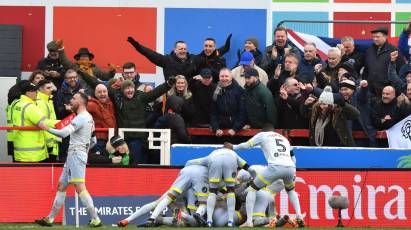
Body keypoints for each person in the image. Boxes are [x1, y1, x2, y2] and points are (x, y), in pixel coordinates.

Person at [35, 92, 102, 227]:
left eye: (74, 98)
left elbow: (63, 133)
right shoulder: (88, 118)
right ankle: (50, 218)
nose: (71, 100)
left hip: (76, 155)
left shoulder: (80, 118)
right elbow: (93, 140)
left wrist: (45, 128)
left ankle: (96, 219)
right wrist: (84, 148)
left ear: (81, 102)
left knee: (79, 186)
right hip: (76, 154)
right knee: (62, 185)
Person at [224, 123, 305, 228]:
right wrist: (293, 170)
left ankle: (249, 221)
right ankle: (299, 217)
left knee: (252, 189)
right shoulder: (283, 138)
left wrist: (233, 147)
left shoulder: (262, 135)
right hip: (290, 168)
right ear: (273, 131)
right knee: (290, 191)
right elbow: (293, 157)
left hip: (275, 167)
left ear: (263, 130)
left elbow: (247, 145)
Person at [117, 164, 208, 227]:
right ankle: (159, 219)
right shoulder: (201, 182)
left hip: (176, 200)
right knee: (191, 222)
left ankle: (155, 220)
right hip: (178, 202)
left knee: (157, 203)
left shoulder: (186, 176)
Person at [185, 148, 249, 227]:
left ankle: (208, 221)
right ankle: (230, 221)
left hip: (209, 205)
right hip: (216, 210)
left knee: (213, 193)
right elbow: (246, 166)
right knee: (229, 192)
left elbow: (189, 162)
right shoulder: (232, 159)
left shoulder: (210, 159)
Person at [12, 82, 58, 162]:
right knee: (34, 174)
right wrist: (63, 123)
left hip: (21, 149)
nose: (37, 93)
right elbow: (44, 123)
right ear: (28, 93)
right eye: (35, 91)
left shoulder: (18, 104)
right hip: (32, 153)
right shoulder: (30, 106)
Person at [127, 37, 198, 80]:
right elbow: (151, 54)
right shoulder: (167, 60)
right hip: (172, 94)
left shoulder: (193, 59)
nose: (183, 51)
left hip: (190, 93)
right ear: (175, 50)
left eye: (185, 49)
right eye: (181, 49)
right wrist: (137, 46)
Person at [363, 27, 405, 98]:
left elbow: (401, 71)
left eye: (377, 37)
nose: (375, 39)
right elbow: (366, 70)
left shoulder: (394, 51)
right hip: (370, 91)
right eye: (373, 37)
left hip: (387, 91)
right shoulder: (369, 51)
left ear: (385, 36)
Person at [210, 68, 246, 137]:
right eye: (222, 76)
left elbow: (242, 112)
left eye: (226, 76)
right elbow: (213, 112)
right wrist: (216, 128)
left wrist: (235, 129)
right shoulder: (215, 91)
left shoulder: (238, 90)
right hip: (220, 129)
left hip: (236, 130)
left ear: (231, 77)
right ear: (219, 77)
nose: (224, 78)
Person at [87, 84, 116, 155]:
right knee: (98, 162)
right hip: (98, 140)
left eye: (104, 91)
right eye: (99, 92)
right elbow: (80, 110)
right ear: (95, 94)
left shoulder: (110, 104)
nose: (102, 94)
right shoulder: (91, 104)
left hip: (110, 139)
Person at [36, 80, 60, 161]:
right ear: (40, 89)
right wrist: (49, 145)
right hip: (47, 145)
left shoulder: (48, 100)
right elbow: (43, 123)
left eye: (51, 87)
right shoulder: (40, 103)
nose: (51, 89)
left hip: (50, 143)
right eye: (48, 88)